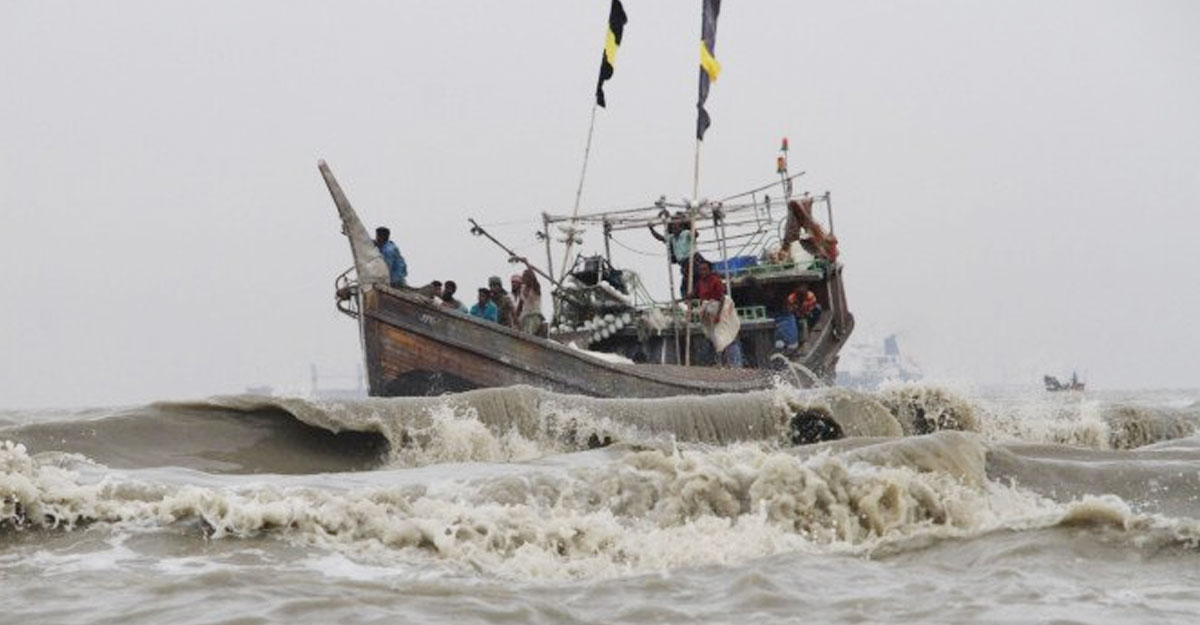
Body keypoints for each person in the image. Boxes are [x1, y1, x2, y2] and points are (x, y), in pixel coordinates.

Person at [693, 260, 743, 367]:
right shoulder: (701, 282)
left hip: (720, 309)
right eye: (701, 269)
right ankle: (721, 362)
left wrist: (718, 315)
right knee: (713, 337)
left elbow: (721, 299)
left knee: (721, 335)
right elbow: (696, 294)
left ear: (710, 270)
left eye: (705, 269)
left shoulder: (715, 280)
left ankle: (726, 363)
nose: (702, 272)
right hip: (709, 311)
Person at [648, 212, 704, 297]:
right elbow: (660, 238)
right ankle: (689, 296)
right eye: (672, 227)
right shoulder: (672, 238)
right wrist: (651, 229)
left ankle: (695, 294)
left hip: (693, 260)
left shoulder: (685, 233)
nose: (674, 229)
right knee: (687, 283)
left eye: (676, 226)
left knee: (695, 279)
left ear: (680, 227)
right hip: (684, 263)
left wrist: (690, 222)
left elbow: (695, 234)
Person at [517, 267, 544, 335]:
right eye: (524, 277)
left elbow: (534, 278)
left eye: (526, 277)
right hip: (525, 315)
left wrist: (526, 263)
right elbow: (520, 305)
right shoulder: (522, 288)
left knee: (530, 333)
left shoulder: (535, 287)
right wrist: (515, 317)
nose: (524, 279)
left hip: (534, 315)